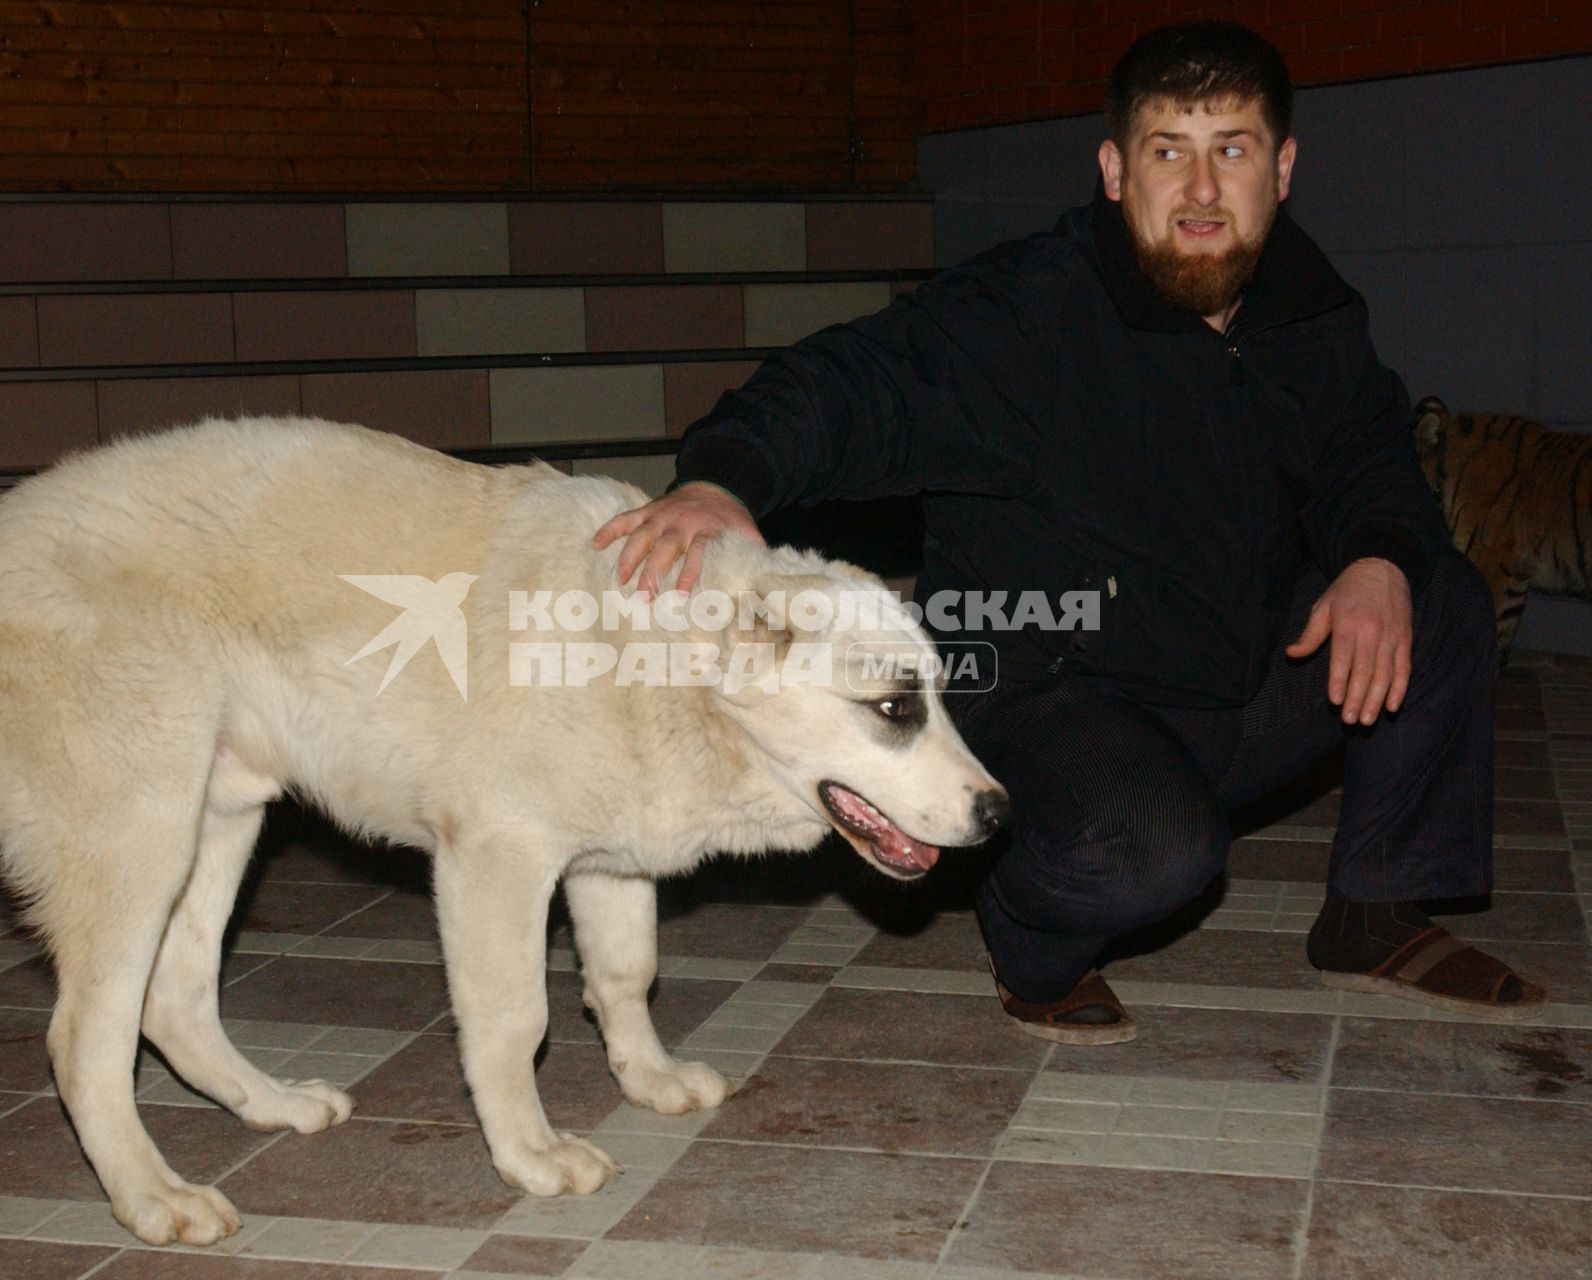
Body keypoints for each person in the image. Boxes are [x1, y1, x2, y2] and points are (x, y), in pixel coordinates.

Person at [593, 21, 1544, 1043]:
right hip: (1053, 690)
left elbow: (1368, 447)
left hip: (1232, 668)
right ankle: (1029, 924)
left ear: (1284, 168)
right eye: (1167, 151)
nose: (1201, 191)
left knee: (1432, 589)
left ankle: (1377, 907)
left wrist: (1375, 556)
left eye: (1232, 148)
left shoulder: (1306, 308)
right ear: (1112, 169)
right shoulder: (1023, 315)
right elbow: (850, 383)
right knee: (1154, 854)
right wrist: (721, 479)